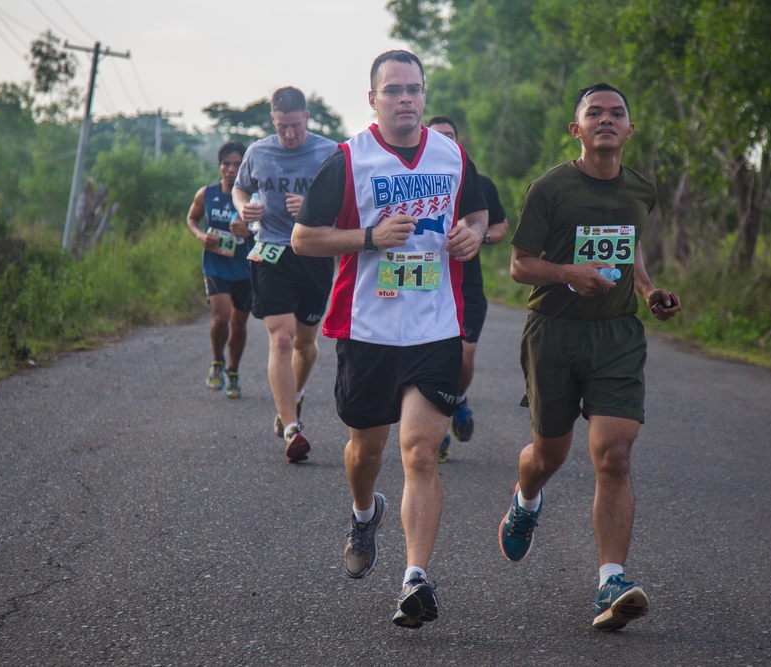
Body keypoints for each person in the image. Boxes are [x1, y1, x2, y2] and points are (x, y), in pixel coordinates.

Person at [292, 50, 488, 629]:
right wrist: (370, 237)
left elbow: (476, 216)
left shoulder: (452, 155)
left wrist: (471, 237)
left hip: (435, 327)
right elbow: (304, 239)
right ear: (372, 98)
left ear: (425, 96)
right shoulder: (350, 159)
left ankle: (415, 579)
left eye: (414, 89)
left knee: (422, 452)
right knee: (366, 453)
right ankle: (363, 513)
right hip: (368, 328)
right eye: (393, 90)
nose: (405, 98)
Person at [497, 82, 681, 631]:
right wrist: (568, 274)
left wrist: (647, 291)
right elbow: (519, 265)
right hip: (552, 334)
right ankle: (526, 497)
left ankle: (611, 581)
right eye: (594, 113)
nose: (606, 119)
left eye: (616, 113)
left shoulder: (641, 190)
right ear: (576, 130)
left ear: (629, 130)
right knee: (548, 454)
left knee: (614, 456)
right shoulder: (550, 189)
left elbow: (631, 246)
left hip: (616, 336)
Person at [231, 87, 337, 463]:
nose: (289, 135)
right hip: (270, 250)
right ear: (272, 121)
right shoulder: (258, 152)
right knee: (281, 340)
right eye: (281, 127)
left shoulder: (329, 152)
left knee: (305, 346)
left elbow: (350, 201)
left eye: (294, 126)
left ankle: (292, 398)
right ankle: (292, 430)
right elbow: (240, 189)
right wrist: (245, 209)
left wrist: (311, 208)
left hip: (314, 251)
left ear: (306, 117)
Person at [426, 116, 509, 461]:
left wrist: (478, 235)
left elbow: (501, 227)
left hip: (467, 287)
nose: (445, 141)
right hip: (428, 286)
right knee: (432, 362)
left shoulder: (477, 182)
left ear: (458, 142)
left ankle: (458, 400)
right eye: (437, 136)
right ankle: (436, 430)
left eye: (450, 136)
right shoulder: (418, 184)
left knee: (464, 355)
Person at [186, 141, 253, 399]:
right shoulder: (207, 194)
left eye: (237, 164)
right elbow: (192, 218)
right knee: (222, 317)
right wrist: (200, 236)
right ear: (219, 166)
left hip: (245, 267)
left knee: (238, 323)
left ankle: (233, 372)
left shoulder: (253, 197)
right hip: (215, 265)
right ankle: (217, 361)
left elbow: (270, 228)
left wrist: (249, 231)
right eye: (226, 163)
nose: (231, 169)